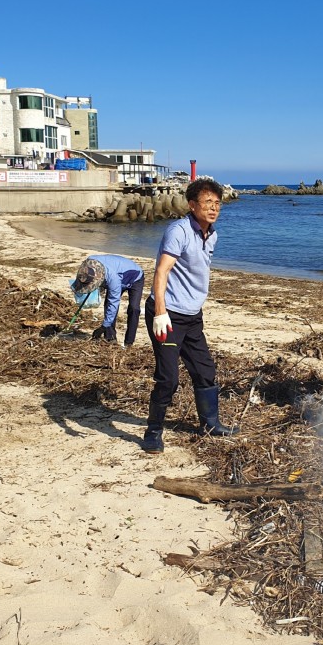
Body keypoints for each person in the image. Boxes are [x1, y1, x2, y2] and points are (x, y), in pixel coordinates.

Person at [142, 178, 238, 454]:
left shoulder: (212, 235)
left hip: (192, 316)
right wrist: (160, 311)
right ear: (192, 205)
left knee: (205, 371)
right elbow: (162, 271)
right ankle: (153, 431)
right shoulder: (179, 231)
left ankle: (211, 424)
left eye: (217, 203)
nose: (214, 208)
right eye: (207, 202)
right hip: (168, 314)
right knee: (168, 378)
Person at [72, 254, 145, 347]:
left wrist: (103, 327)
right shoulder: (88, 265)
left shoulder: (112, 278)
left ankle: (129, 342)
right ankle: (110, 338)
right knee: (108, 306)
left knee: (134, 308)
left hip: (135, 278)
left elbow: (113, 302)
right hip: (119, 275)